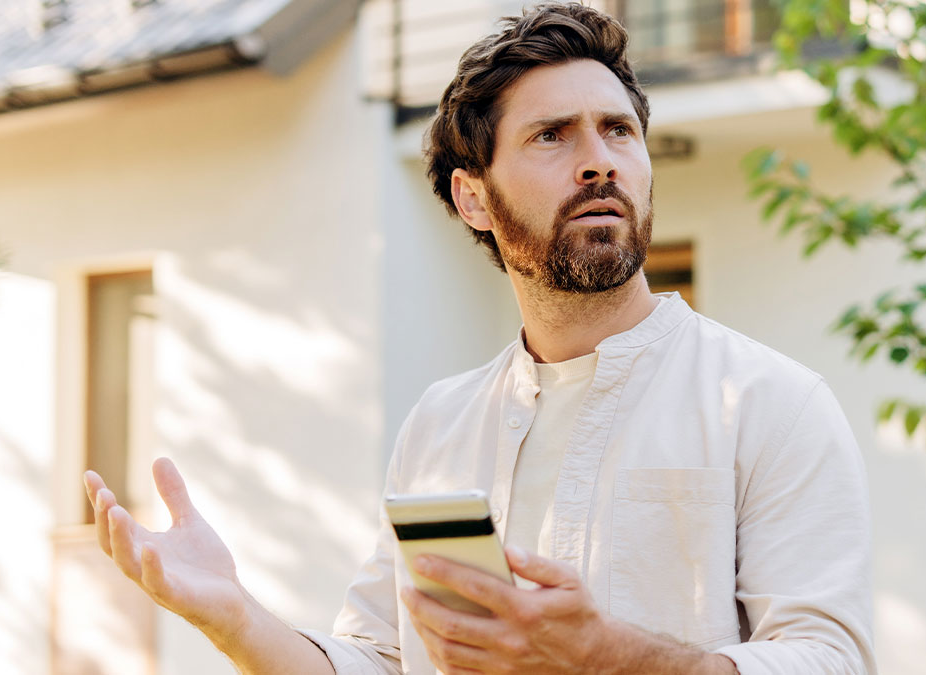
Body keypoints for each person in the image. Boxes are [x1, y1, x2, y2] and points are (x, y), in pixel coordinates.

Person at [82, 4, 876, 674]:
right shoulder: (441, 424)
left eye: (618, 132)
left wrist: (610, 654)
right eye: (553, 136)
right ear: (473, 197)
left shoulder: (770, 400)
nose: (599, 162)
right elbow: (380, 657)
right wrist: (232, 616)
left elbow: (829, 659)